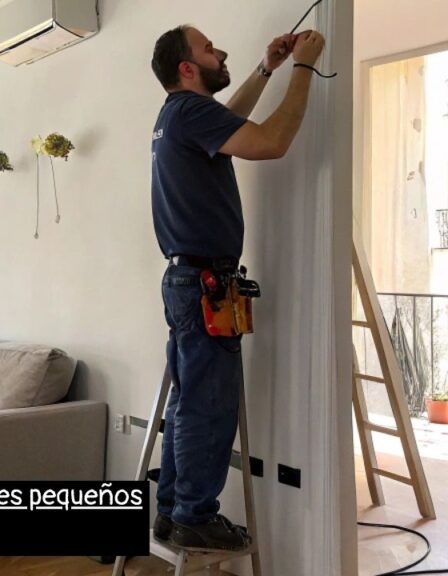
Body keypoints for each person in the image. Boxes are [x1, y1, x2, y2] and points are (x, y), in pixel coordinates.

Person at [149, 25, 326, 552]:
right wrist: (304, 68)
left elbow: (227, 120)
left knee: (189, 401)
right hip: (203, 282)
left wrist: (266, 69)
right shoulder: (190, 112)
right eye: (207, 49)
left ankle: (172, 510)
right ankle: (194, 516)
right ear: (186, 68)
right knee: (208, 404)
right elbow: (270, 141)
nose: (219, 51)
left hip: (186, 278)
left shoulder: (177, 115)